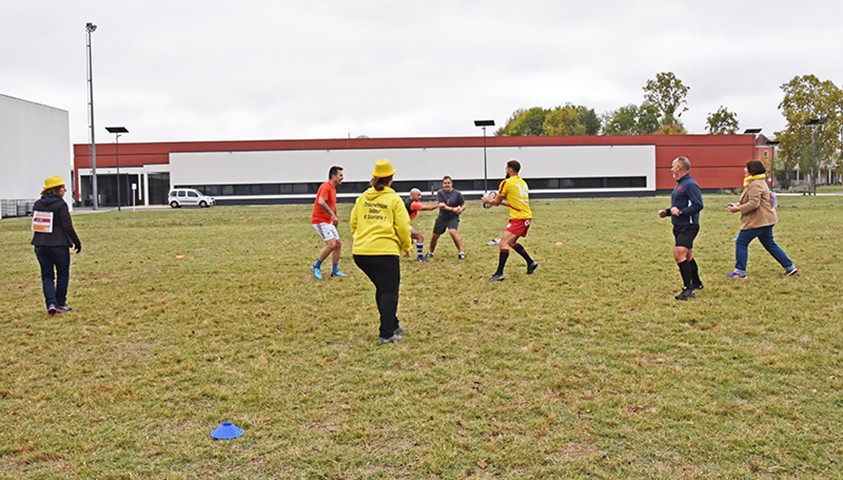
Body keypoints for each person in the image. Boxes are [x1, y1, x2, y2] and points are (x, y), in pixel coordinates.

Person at [350, 159, 412, 344]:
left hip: (361, 253)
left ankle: (392, 323)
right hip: (385, 252)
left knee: (383, 289)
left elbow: (353, 222)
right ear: (391, 178)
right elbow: (402, 226)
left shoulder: (362, 198)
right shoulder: (394, 199)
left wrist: (362, 239)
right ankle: (386, 333)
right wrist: (406, 246)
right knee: (389, 292)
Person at [725, 160, 798, 278]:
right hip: (766, 220)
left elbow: (754, 204)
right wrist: (737, 205)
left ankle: (739, 272)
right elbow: (749, 200)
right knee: (770, 244)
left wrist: (738, 209)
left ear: (752, 170)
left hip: (757, 221)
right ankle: (790, 267)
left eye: (746, 168)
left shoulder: (755, 184)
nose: (744, 170)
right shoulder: (757, 182)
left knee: (741, 243)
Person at [31, 176, 82, 316]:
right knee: (62, 275)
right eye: (62, 187)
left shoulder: (37, 204)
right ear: (55, 190)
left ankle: (51, 303)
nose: (65, 190)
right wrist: (76, 242)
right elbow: (67, 226)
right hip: (59, 245)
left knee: (47, 276)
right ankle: (60, 303)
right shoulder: (61, 205)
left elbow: (37, 225)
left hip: (40, 245)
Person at [482, 160, 538, 282]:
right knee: (511, 243)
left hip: (519, 219)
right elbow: (512, 203)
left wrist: (487, 200)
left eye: (506, 168)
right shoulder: (522, 183)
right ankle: (531, 263)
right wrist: (494, 201)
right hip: (526, 217)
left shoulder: (506, 183)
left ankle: (499, 273)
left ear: (510, 169)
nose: (505, 170)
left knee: (503, 243)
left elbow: (496, 202)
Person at [658, 156, 704, 300]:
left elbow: (698, 205)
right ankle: (696, 282)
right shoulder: (680, 184)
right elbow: (679, 205)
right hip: (679, 225)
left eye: (673, 166)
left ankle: (687, 290)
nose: (671, 169)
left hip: (688, 226)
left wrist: (682, 212)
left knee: (679, 254)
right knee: (687, 256)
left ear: (679, 168)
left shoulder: (690, 184)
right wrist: (667, 212)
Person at [311, 165, 346, 280]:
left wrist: (335, 218)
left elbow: (332, 204)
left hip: (328, 221)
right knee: (331, 244)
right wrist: (332, 215)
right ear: (333, 176)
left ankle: (335, 270)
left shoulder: (333, 189)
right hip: (320, 221)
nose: (342, 178)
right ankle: (316, 267)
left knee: (338, 244)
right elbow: (321, 201)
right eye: (340, 175)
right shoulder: (325, 187)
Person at [427, 176, 467, 260]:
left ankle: (461, 252)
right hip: (442, 217)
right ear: (443, 184)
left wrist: (461, 209)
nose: (447, 185)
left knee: (452, 232)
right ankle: (431, 252)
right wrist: (453, 209)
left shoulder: (457, 194)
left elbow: (464, 204)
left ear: (451, 184)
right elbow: (442, 206)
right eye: (445, 183)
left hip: (453, 217)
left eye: (448, 183)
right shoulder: (440, 193)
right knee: (434, 236)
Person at [405, 188, 438, 262]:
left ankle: (406, 252)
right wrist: (438, 205)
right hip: (403, 225)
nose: (420, 197)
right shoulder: (413, 204)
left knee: (410, 240)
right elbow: (429, 208)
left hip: (401, 224)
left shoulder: (408, 201)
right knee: (420, 237)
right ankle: (420, 257)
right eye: (418, 195)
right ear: (412, 195)